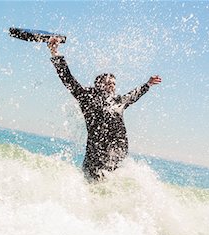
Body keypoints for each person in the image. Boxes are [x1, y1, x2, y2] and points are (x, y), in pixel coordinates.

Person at [47, 37, 162, 181]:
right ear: (98, 85)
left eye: (114, 83)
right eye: (108, 82)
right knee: (92, 185)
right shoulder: (86, 97)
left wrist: (148, 84)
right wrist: (55, 52)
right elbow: (68, 79)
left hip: (118, 153)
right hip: (95, 155)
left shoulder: (119, 101)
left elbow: (133, 95)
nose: (112, 85)